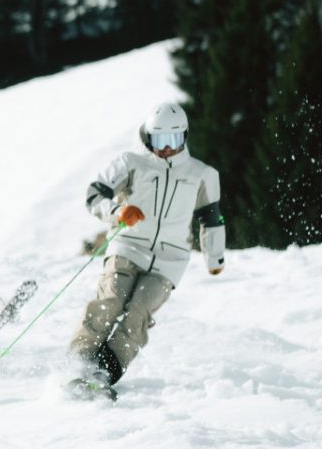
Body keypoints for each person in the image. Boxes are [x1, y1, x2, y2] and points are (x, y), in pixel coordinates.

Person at [67, 101, 226, 397]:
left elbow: (211, 218)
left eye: (173, 140)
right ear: (147, 137)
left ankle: (104, 370)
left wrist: (214, 256)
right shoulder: (131, 163)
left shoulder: (202, 174)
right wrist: (118, 211)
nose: (166, 148)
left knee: (137, 313)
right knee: (110, 302)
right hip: (127, 246)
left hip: (170, 260)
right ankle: (80, 363)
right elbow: (93, 195)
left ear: (184, 137)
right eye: (159, 140)